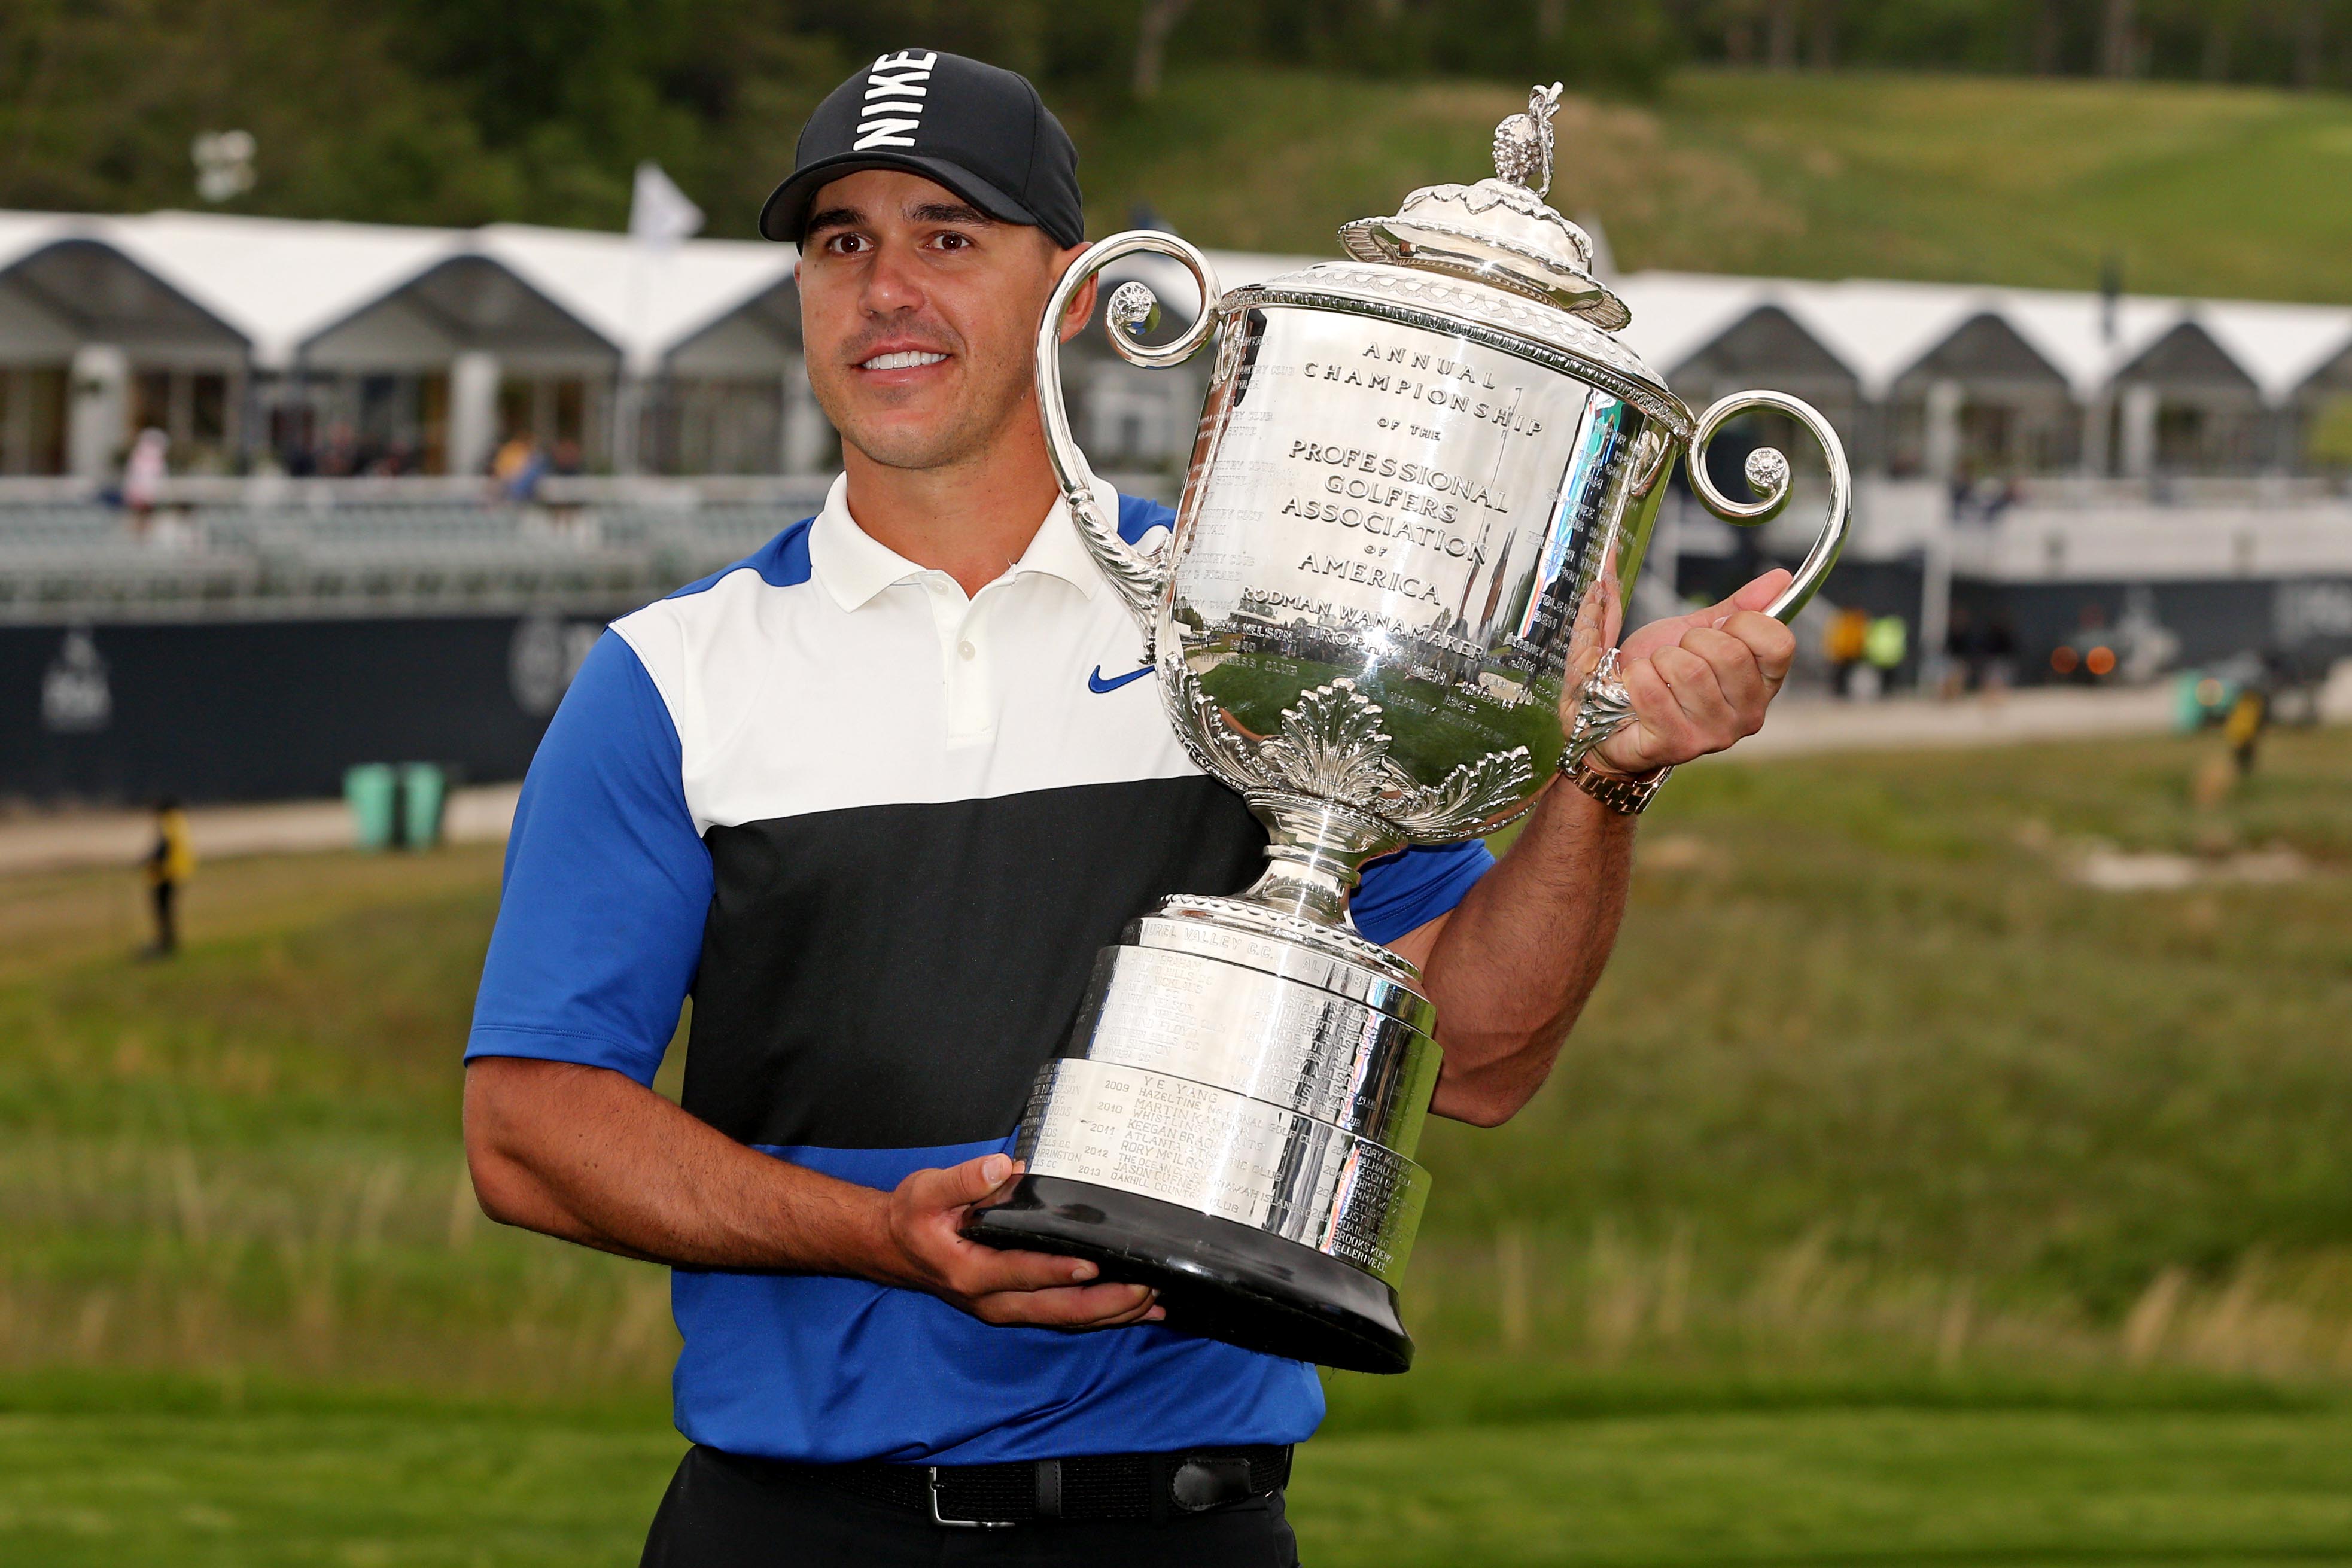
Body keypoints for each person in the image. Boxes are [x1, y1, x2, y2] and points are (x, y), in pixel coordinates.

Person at [460, 50, 1799, 1568]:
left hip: (1181, 1529)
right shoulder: (672, 677)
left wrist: (1605, 777)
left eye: (947, 236)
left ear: (1080, 289)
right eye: (841, 243)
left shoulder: (1258, 626)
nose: (886, 286)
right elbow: (527, 1131)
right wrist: (879, 1237)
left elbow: (1477, 1059)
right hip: (795, 1527)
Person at [144, 798, 194, 957]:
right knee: (168, 910)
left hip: (166, 873)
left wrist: (148, 860)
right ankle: (169, 942)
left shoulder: (168, 822)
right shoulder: (179, 821)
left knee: (162, 910)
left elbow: (164, 847)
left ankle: (164, 943)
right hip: (179, 872)